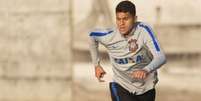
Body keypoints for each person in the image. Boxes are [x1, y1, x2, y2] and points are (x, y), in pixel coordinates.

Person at [89, 0, 166, 101]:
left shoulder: (144, 30)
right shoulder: (109, 36)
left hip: (146, 87)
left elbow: (161, 57)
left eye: (125, 19)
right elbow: (92, 36)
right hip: (121, 85)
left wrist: (146, 70)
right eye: (118, 19)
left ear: (135, 18)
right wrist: (96, 65)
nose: (121, 23)